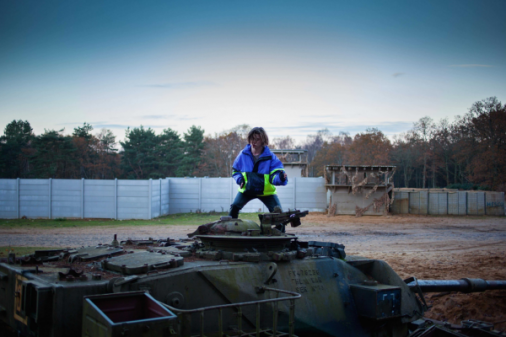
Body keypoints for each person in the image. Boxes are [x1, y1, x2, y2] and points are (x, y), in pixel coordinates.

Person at [229, 127, 288, 219]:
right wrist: (240, 180)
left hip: (266, 192)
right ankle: (231, 229)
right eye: (252, 138)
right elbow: (235, 171)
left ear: (263, 141)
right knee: (234, 208)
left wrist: (281, 178)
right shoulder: (242, 155)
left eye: (257, 139)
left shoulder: (270, 157)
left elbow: (275, 175)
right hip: (246, 190)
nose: (254, 142)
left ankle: (280, 232)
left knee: (278, 214)